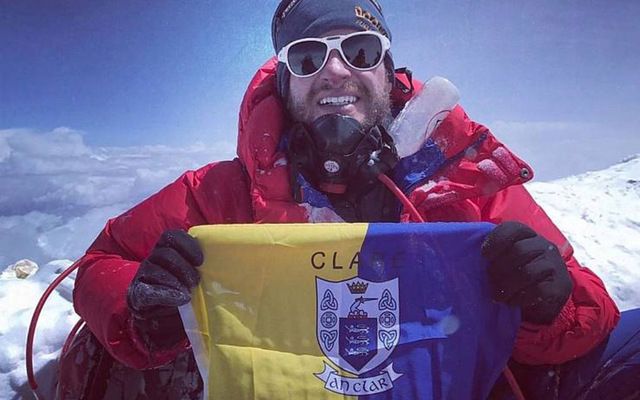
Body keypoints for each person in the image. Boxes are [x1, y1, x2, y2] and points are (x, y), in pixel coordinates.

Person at [56, 1, 637, 399]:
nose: (335, 70)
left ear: (387, 73)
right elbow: (97, 265)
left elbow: (591, 318)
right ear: (285, 82)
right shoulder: (221, 193)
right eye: (307, 57)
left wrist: (549, 303)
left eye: (359, 50)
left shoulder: (464, 181)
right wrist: (140, 307)